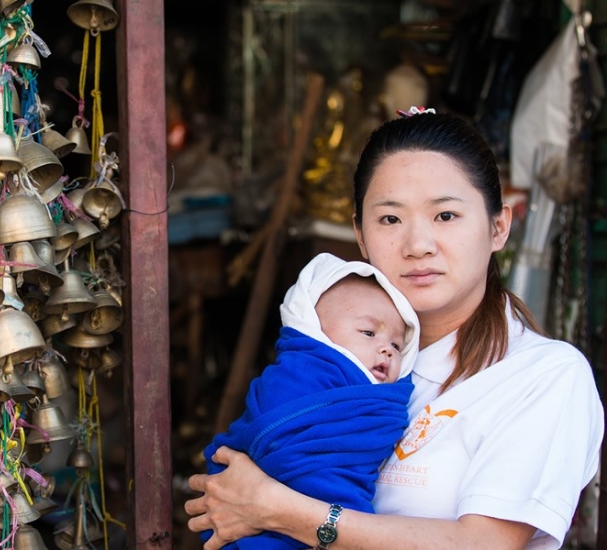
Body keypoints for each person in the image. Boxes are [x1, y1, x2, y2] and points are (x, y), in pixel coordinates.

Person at [185, 110, 604, 550]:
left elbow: (484, 544)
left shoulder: (541, 375)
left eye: (445, 215)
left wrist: (281, 511)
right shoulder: (343, 359)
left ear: (498, 227)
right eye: (390, 219)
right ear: (360, 237)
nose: (417, 245)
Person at [202, 252, 421, 550]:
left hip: (332, 521)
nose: (386, 350)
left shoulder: (387, 400)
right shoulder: (299, 377)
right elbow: (275, 436)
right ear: (315, 333)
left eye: (397, 344)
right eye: (368, 332)